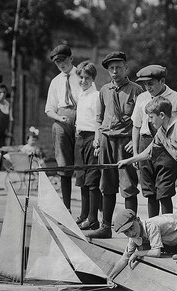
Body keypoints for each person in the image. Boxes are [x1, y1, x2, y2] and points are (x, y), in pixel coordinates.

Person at [120, 95, 177, 263]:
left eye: (151, 117)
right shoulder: (161, 132)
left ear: (161, 115)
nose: (150, 121)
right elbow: (149, 152)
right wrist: (128, 161)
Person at [87, 51, 143, 239]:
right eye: (111, 68)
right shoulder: (104, 90)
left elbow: (142, 121)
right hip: (106, 142)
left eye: (118, 67)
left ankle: (133, 231)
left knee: (128, 188)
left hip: (125, 143)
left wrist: (134, 144)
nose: (115, 71)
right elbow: (99, 118)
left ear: (126, 68)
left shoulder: (136, 90)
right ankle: (105, 227)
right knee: (107, 185)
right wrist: (97, 139)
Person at [132, 65, 177, 218]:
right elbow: (136, 125)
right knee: (149, 191)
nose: (148, 87)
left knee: (164, 191)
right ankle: (153, 228)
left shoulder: (176, 97)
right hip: (146, 143)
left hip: (167, 147)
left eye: (151, 83)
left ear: (162, 81)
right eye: (145, 84)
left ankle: (168, 229)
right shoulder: (142, 98)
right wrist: (135, 152)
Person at [108, 208, 177, 280]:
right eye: (126, 232)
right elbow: (124, 258)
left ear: (138, 220)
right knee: (142, 248)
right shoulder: (133, 236)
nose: (131, 233)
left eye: (132, 228)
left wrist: (137, 253)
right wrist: (110, 277)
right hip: (171, 243)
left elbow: (156, 253)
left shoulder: (151, 226)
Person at [44, 44, 80, 212]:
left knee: (83, 163)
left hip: (81, 118)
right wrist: (59, 117)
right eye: (58, 62)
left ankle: (90, 211)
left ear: (71, 59)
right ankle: (66, 208)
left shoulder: (82, 75)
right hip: (62, 119)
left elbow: (91, 98)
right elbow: (49, 108)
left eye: (64, 60)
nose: (61, 65)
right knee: (64, 164)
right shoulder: (56, 81)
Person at [74, 61, 101, 231]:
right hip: (81, 137)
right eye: (81, 77)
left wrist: (97, 141)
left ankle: (93, 218)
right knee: (81, 178)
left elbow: (98, 120)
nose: (83, 81)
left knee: (92, 180)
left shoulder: (96, 95)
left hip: (92, 138)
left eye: (87, 78)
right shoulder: (81, 95)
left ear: (92, 79)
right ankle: (83, 215)